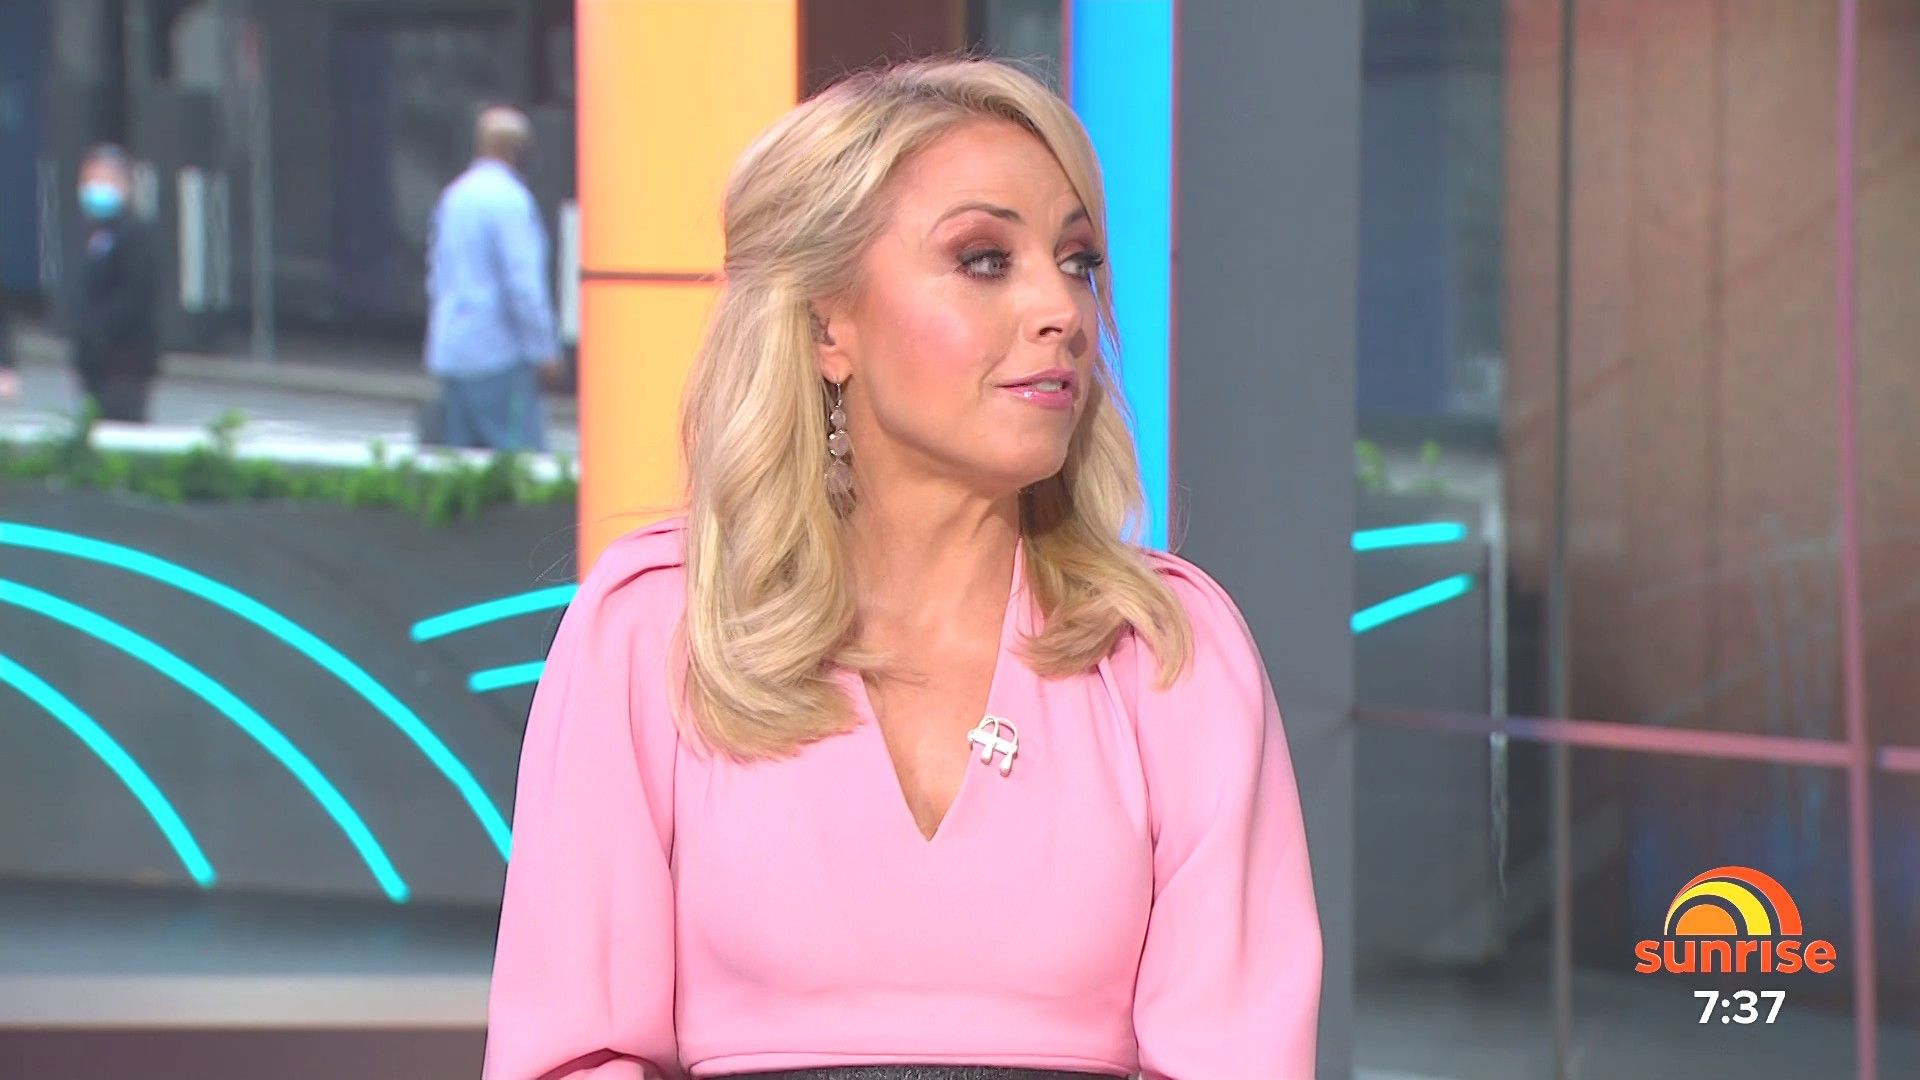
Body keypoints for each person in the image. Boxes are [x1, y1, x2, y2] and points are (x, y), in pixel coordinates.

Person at [485, 56, 1322, 1080]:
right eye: (984, 259)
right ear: (828, 322)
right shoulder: (655, 629)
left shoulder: (1164, 654)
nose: (1061, 311)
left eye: (1076, 262)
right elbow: (573, 1055)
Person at [422, 105, 561, 451]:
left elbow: (437, 274)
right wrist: (543, 350)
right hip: (499, 357)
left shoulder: (455, 196)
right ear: (515, 150)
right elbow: (522, 287)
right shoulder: (511, 201)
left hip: (452, 352)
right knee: (522, 467)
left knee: (459, 466)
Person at [70, 145, 159, 422]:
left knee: (122, 425)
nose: (95, 188)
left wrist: (102, 331)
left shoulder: (136, 235)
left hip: (125, 360)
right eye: (89, 180)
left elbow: (136, 297)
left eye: (104, 180)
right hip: (92, 360)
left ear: (124, 186)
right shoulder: (87, 233)